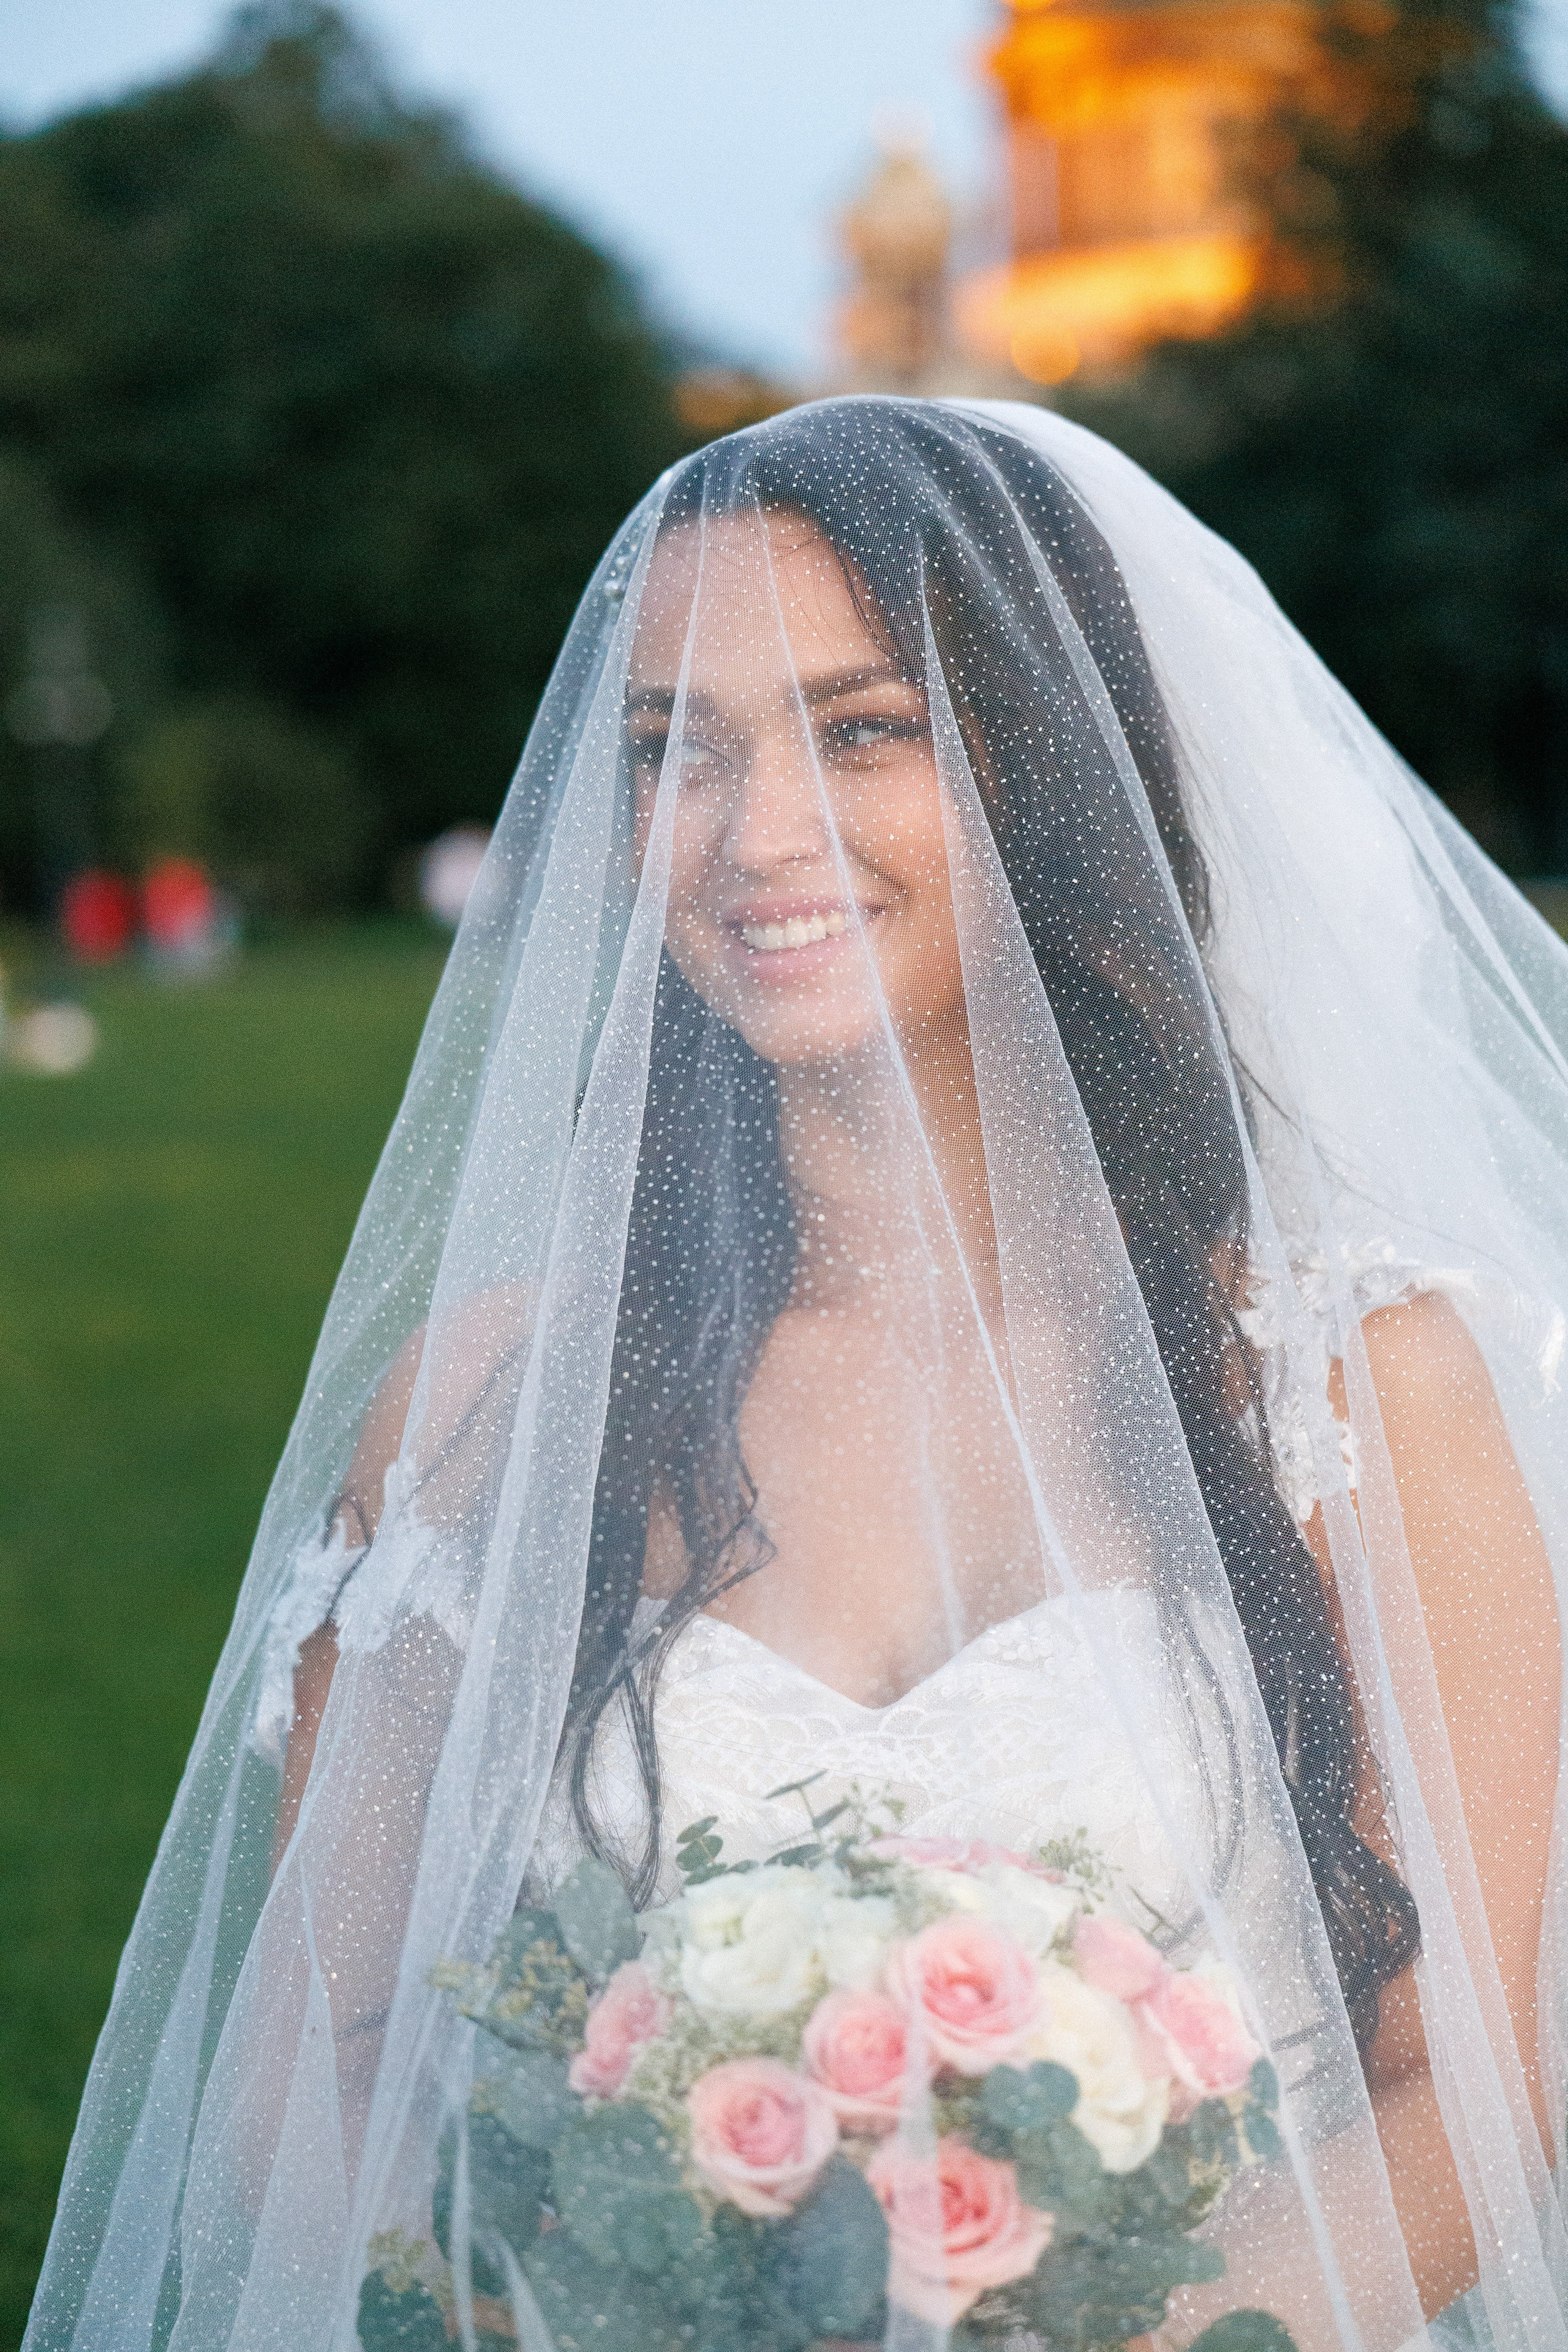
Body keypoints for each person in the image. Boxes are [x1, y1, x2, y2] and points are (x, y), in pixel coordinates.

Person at [26, 399, 1568, 2352]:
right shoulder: (485, 1411)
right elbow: (306, 2081)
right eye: (676, 749)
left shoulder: (1353, 1387)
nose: (758, 836)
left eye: (862, 729)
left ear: (1050, 765)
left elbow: (1482, 2095)